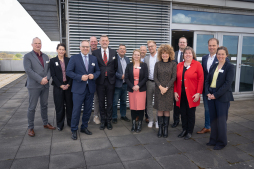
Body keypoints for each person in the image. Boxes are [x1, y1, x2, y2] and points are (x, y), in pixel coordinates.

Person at [66, 40, 100, 140]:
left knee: (88, 110)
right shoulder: (74, 58)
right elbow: (69, 72)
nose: (85, 48)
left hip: (90, 88)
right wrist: (80, 77)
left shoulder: (93, 58)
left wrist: (93, 75)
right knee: (76, 111)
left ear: (89, 48)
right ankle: (74, 130)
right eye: (83, 46)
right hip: (78, 89)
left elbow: (98, 71)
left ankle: (84, 127)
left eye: (87, 47)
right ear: (80, 47)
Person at [23, 37, 56, 137]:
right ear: (32, 44)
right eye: (36, 43)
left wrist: (47, 78)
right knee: (32, 107)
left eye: (39, 43)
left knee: (44, 105)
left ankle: (45, 123)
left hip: (45, 85)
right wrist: (40, 79)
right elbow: (28, 70)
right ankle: (30, 127)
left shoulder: (46, 56)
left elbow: (49, 69)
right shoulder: (27, 56)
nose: (38, 45)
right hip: (34, 86)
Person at [205, 46, 234, 150]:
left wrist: (216, 95)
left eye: (222, 54)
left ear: (226, 55)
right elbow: (207, 80)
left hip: (222, 97)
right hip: (211, 95)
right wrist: (207, 92)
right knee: (213, 119)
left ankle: (221, 142)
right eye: (219, 54)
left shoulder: (230, 67)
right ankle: (213, 140)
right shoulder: (214, 66)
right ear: (216, 55)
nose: (220, 56)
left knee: (221, 121)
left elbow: (227, 84)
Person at [174, 46, 204, 140]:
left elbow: (201, 79)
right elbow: (175, 80)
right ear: (183, 55)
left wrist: (198, 93)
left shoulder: (197, 64)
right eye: (186, 53)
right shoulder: (179, 65)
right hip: (181, 94)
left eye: (189, 53)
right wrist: (175, 92)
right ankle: (184, 129)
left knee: (190, 113)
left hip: (192, 94)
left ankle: (189, 131)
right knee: (183, 113)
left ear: (192, 54)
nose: (187, 54)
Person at [92, 35, 118, 130]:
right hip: (100, 81)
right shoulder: (95, 53)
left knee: (110, 102)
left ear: (108, 42)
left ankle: (109, 121)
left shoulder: (114, 52)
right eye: (103, 40)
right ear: (99, 42)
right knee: (101, 102)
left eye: (106, 40)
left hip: (110, 81)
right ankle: (103, 121)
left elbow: (116, 67)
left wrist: (110, 74)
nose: (104, 42)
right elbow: (93, 66)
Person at [197, 38, 219, 134]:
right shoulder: (204, 58)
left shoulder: (221, 57)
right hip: (206, 88)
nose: (212, 47)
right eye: (210, 45)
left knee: (217, 108)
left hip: (217, 89)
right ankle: (207, 126)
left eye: (214, 45)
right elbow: (204, 74)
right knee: (207, 108)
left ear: (217, 46)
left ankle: (217, 127)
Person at [154, 44, 177, 138]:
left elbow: (174, 77)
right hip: (159, 90)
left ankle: (166, 129)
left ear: (170, 54)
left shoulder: (173, 64)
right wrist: (161, 87)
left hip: (169, 90)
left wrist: (166, 88)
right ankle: (160, 128)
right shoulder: (157, 64)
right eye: (163, 53)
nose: (165, 55)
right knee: (160, 109)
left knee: (167, 110)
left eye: (166, 53)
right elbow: (155, 77)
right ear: (160, 54)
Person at [50, 43, 73, 131]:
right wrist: (60, 85)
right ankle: (60, 124)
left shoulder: (69, 60)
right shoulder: (52, 61)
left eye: (63, 49)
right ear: (57, 50)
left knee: (70, 106)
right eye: (60, 49)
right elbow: (53, 75)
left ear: (65, 51)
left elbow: (71, 73)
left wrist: (68, 84)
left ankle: (70, 123)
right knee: (59, 106)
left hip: (68, 86)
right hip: (58, 87)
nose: (61, 51)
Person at [125, 49, 148, 133]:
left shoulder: (144, 65)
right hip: (132, 88)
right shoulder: (129, 65)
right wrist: (132, 86)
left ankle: (139, 124)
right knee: (133, 107)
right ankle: (133, 124)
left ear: (140, 56)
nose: (136, 56)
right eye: (135, 54)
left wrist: (138, 85)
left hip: (141, 88)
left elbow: (146, 77)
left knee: (141, 107)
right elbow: (126, 78)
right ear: (132, 56)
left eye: (138, 55)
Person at [112, 44, 131, 124]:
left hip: (125, 84)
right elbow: (112, 71)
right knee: (115, 102)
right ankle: (114, 117)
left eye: (124, 49)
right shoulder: (114, 59)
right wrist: (120, 76)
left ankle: (123, 115)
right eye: (121, 49)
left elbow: (129, 70)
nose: (122, 50)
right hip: (117, 84)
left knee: (123, 101)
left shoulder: (127, 59)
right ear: (118, 50)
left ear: (125, 51)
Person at [172, 37, 187, 128]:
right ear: (178, 44)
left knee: (185, 103)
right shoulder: (174, 54)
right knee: (176, 102)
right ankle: (176, 120)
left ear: (186, 43)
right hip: (176, 82)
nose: (182, 43)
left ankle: (184, 120)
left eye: (183, 42)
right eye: (180, 42)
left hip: (186, 83)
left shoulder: (189, 54)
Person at [144, 40, 159, 128]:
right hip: (149, 82)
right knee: (149, 103)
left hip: (158, 83)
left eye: (152, 46)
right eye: (149, 46)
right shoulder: (146, 58)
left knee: (157, 103)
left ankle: (157, 120)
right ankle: (150, 120)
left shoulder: (160, 57)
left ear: (155, 46)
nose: (150, 48)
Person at [89, 36, 101, 124]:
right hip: (87, 80)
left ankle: (96, 116)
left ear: (98, 42)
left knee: (97, 98)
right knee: (88, 98)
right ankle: (87, 116)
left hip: (98, 79)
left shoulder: (100, 52)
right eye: (91, 41)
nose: (93, 43)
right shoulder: (85, 51)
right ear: (89, 43)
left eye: (95, 41)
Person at [139, 45, 149, 123]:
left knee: (146, 101)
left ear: (146, 51)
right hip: (137, 83)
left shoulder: (148, 59)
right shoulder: (136, 59)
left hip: (146, 82)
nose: (142, 51)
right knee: (138, 100)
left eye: (144, 50)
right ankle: (138, 116)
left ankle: (147, 116)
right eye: (141, 50)